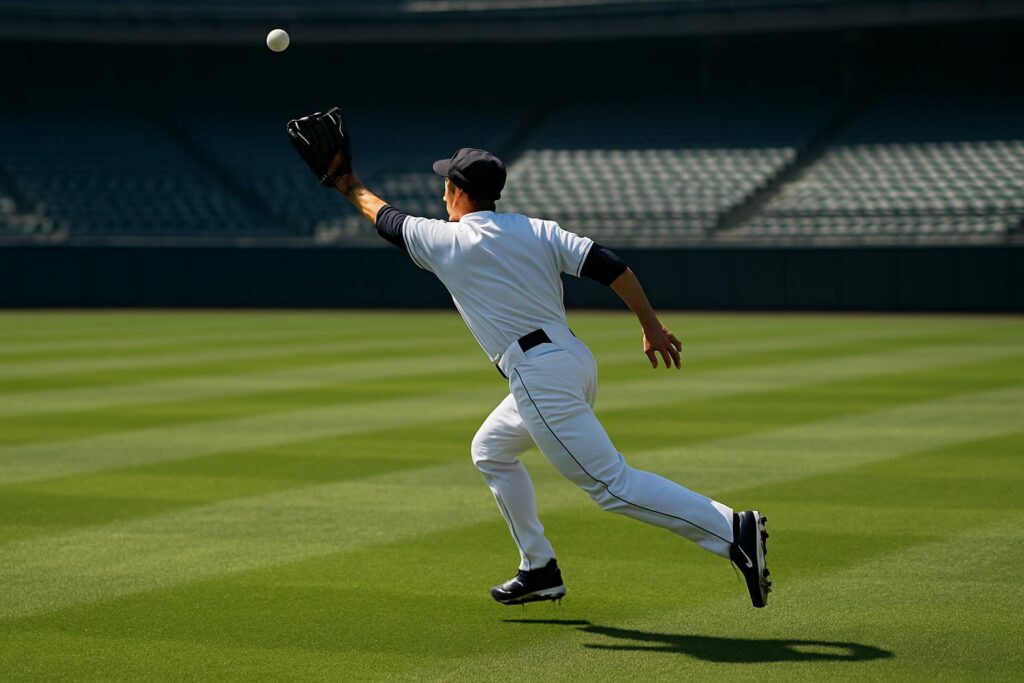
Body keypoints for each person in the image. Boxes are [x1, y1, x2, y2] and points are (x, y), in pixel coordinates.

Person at [286, 116, 770, 608]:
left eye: (445, 184)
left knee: (612, 486)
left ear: (456, 191)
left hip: (540, 375)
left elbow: (385, 219)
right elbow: (610, 265)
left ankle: (732, 528)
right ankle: (538, 568)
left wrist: (348, 184)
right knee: (491, 450)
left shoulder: (447, 241)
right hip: (573, 362)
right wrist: (649, 324)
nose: (441, 194)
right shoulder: (535, 229)